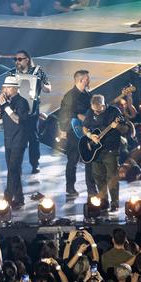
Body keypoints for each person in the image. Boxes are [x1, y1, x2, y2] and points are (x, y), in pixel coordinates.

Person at [82, 95, 128, 212]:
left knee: (111, 176)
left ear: (103, 105)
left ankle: (114, 202)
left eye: (99, 109)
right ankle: (105, 201)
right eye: (94, 109)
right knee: (98, 177)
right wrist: (90, 136)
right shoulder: (90, 112)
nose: (96, 112)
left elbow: (125, 129)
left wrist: (117, 126)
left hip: (111, 149)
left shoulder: (114, 112)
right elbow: (85, 127)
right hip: (96, 151)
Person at [9, 50, 51, 174]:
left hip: (32, 111)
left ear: (27, 59)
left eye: (20, 59)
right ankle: (17, 165)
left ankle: (35, 164)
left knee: (33, 139)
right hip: (17, 111)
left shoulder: (38, 71)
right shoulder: (12, 73)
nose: (17, 61)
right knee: (18, 140)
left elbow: (48, 88)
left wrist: (42, 85)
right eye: (16, 59)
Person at [59, 70, 97, 199]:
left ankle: (91, 189)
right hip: (74, 132)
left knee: (89, 160)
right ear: (81, 80)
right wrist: (78, 116)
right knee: (72, 161)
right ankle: (70, 188)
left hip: (87, 132)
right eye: (87, 78)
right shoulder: (70, 95)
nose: (89, 80)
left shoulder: (88, 94)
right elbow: (64, 114)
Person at [0, 76, 30, 208]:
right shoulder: (6, 103)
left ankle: (7, 197)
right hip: (8, 140)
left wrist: (6, 106)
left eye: (8, 87)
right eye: (4, 87)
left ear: (15, 88)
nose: (5, 89)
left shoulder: (22, 102)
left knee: (13, 169)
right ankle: (19, 198)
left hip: (19, 140)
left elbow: (18, 119)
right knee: (13, 170)